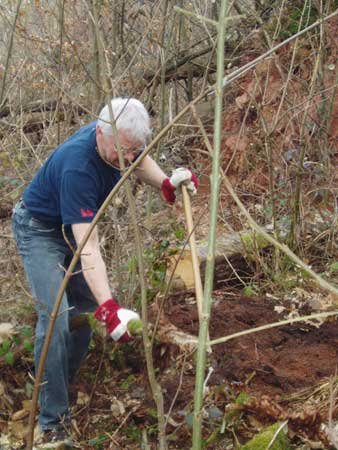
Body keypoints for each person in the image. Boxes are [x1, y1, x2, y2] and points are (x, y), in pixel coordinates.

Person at [11, 97, 198, 448]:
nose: (128, 159)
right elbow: (89, 248)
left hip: (71, 230)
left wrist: (165, 185)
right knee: (56, 317)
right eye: (123, 151)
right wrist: (110, 309)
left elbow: (139, 159)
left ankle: (58, 383)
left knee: (82, 316)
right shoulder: (77, 167)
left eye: (134, 149)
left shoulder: (119, 137)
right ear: (101, 134)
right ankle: (52, 419)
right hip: (39, 230)